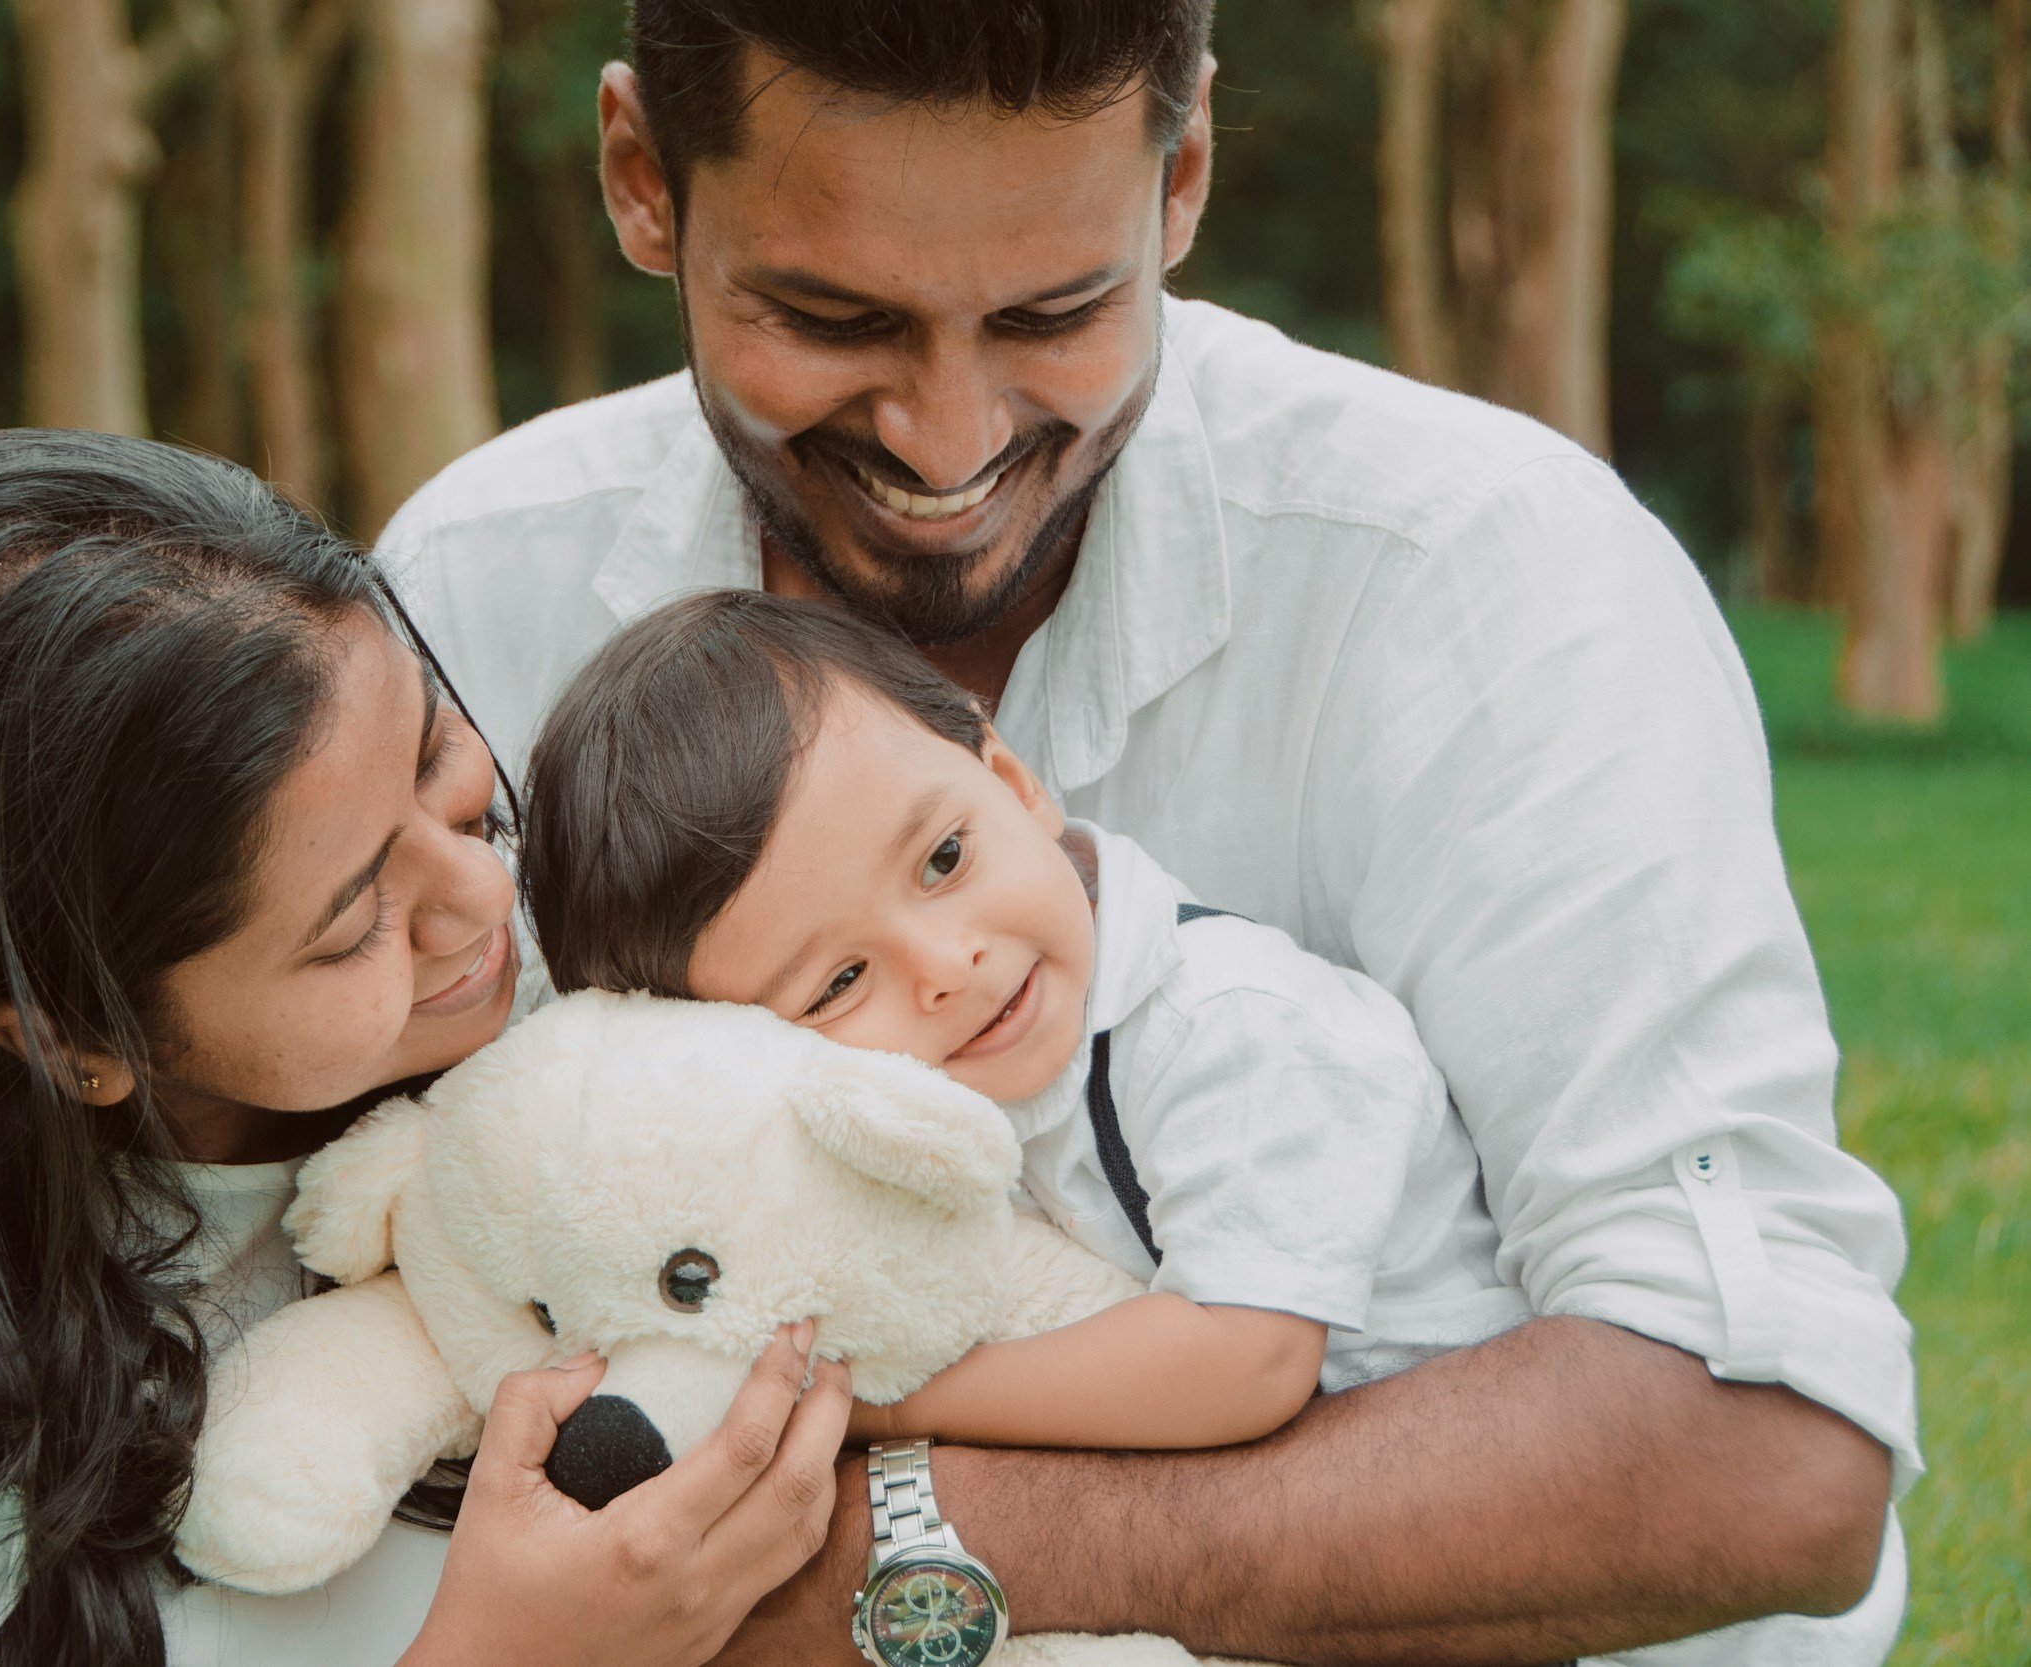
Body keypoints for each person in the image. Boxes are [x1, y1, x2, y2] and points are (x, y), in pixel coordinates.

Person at [377, 1, 1919, 1661]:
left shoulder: (1484, 573)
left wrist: (890, 1560)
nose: (945, 440)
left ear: (1181, 178)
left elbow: (1768, 1451)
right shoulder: (479, 593)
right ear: (641, 181)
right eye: (830, 316)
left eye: (1058, 310)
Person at [0, 430, 851, 1667]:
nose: (481, 896)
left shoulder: (584, 1028)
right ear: (70, 1032)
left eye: (443, 767)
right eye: (353, 923)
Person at [521, 590, 1535, 1451]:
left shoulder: (1229, 1022)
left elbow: (1245, 1355)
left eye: (944, 859)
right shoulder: (897, 1108)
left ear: (1008, 779)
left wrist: (879, 1402)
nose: (945, 965)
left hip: (1453, 1501)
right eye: (835, 982)